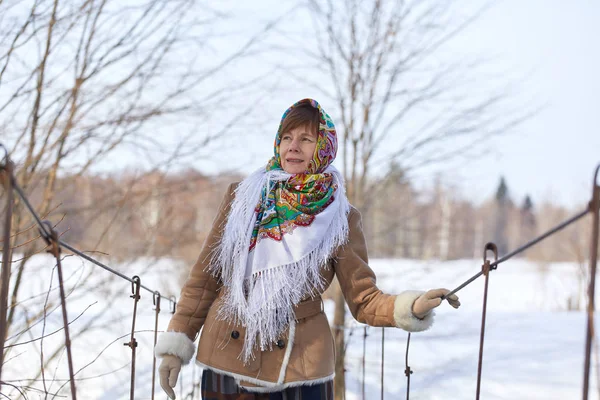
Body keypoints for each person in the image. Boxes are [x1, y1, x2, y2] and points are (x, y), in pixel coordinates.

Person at [154, 98, 460, 399]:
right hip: (227, 356)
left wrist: (412, 307)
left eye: (305, 139)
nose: (293, 146)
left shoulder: (340, 217)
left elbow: (364, 299)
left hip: (300, 370)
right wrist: (176, 344)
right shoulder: (242, 199)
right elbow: (205, 279)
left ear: (324, 147)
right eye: (287, 137)